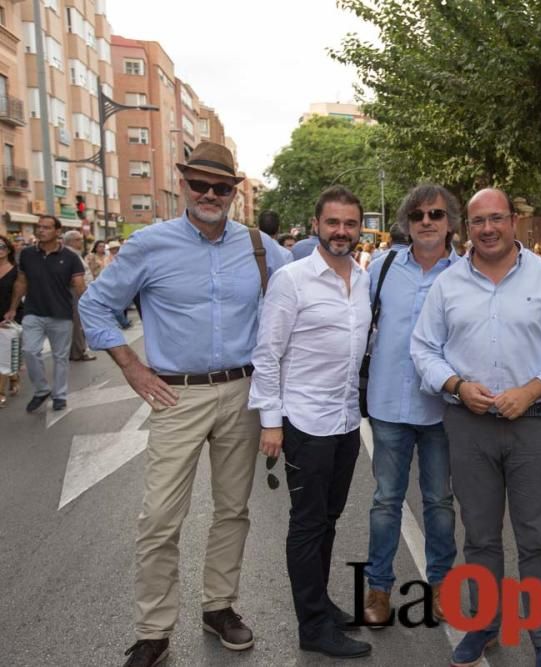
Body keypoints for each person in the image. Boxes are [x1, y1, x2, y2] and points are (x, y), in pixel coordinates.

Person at [79, 141, 287, 667]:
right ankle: (153, 631)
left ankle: (219, 607)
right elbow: (95, 306)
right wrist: (132, 366)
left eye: (221, 187)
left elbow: (305, 288)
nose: (210, 194)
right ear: (184, 184)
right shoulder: (150, 245)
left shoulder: (260, 247)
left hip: (243, 390)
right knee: (159, 518)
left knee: (233, 510)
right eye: (200, 184)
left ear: (234, 192)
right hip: (177, 393)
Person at [411, 188, 541, 667]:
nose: (488, 229)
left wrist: (530, 390)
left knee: (536, 540)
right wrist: (456, 385)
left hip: (534, 426)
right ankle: (485, 624)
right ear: (466, 229)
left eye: (497, 219)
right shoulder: (448, 285)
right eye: (478, 221)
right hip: (469, 427)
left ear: (513, 221)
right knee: (480, 536)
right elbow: (423, 348)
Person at [249, 186, 372, 659]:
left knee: (330, 519)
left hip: (345, 422)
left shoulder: (362, 279)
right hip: (303, 422)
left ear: (359, 228)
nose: (342, 231)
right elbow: (268, 353)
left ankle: (319, 603)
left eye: (350, 223)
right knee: (306, 524)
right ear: (317, 225)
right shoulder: (292, 280)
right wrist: (271, 423)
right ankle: (313, 627)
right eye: (333, 223)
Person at [361, 184, 460, 628]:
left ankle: (440, 588)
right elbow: (355, 328)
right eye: (417, 214)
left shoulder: (465, 274)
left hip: (441, 408)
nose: (426, 221)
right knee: (386, 501)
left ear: (449, 223)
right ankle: (378, 589)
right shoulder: (381, 270)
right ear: (405, 222)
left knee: (439, 503)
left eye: (435, 214)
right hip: (387, 405)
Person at [2, 215, 85, 413]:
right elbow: (21, 282)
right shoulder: (28, 254)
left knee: (60, 357)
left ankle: (60, 396)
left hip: (61, 313)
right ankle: (41, 390)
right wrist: (13, 308)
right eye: (38, 227)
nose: (40, 231)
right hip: (33, 311)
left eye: (46, 228)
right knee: (30, 351)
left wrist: (89, 311)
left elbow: (80, 286)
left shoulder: (72, 257)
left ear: (57, 232)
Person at [62, 230, 98, 362]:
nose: (81, 242)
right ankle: (78, 352)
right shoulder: (70, 254)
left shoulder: (74, 254)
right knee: (78, 323)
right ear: (71, 241)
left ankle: (77, 350)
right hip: (76, 292)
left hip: (80, 290)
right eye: (78, 239)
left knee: (77, 323)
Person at [0, 233, 21, 404]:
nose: (0, 250)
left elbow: (20, 293)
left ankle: (0, 393)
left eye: (2, 247)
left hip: (9, 314)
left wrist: (12, 310)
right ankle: (13, 376)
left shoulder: (16, 270)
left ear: (8, 250)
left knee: (3, 353)